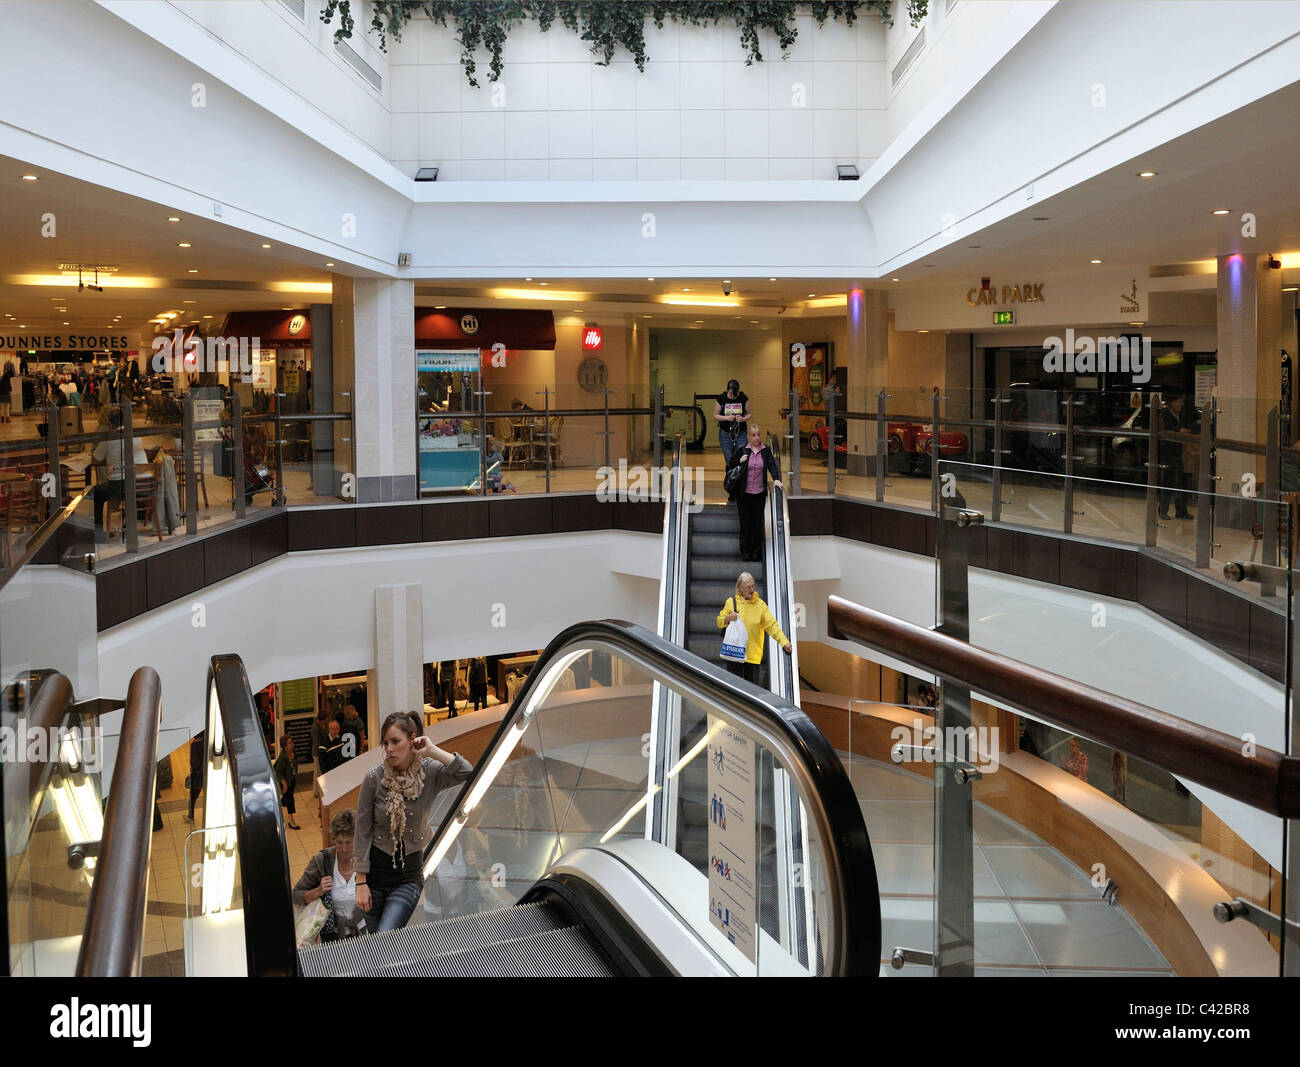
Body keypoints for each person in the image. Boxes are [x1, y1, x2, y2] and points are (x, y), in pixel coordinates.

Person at [354, 711, 473, 933]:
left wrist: (433, 750)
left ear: (412, 740)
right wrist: (360, 883)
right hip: (374, 878)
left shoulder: (430, 772)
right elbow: (362, 831)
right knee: (377, 941)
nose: (389, 749)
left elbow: (467, 772)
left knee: (385, 935)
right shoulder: (374, 778)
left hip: (408, 876)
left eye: (395, 741)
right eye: (386, 743)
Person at [294, 810, 365, 941]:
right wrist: (318, 891)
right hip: (331, 936)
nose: (344, 849)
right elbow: (296, 895)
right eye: (339, 842)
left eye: (349, 842)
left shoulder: (367, 859)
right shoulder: (322, 860)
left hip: (363, 931)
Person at [717, 571, 791, 685]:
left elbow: (772, 625)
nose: (752, 590)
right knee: (734, 688)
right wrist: (727, 618)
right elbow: (719, 622)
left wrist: (784, 642)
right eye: (748, 587)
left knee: (751, 691)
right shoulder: (731, 602)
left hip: (752, 656)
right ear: (740, 588)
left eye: (753, 586)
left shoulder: (760, 605)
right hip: (734, 652)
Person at [90, 406, 148, 542]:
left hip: (120, 485)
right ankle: (129, 524)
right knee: (126, 490)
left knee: (95, 494)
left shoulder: (108, 439)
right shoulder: (136, 435)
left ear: (110, 423)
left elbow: (95, 460)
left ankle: (99, 534)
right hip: (143, 485)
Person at [729, 424, 782, 561]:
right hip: (744, 494)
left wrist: (776, 479)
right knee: (745, 523)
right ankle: (745, 552)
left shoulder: (766, 451)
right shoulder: (743, 450)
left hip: (759, 494)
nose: (756, 437)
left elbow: (771, 465)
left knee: (757, 523)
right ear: (748, 437)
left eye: (758, 435)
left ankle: (756, 552)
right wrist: (739, 461)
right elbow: (730, 466)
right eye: (753, 435)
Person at [1157, 391, 1192, 520]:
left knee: (1181, 482)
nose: (1181, 404)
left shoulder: (1178, 414)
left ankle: (1181, 510)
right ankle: (1163, 510)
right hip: (1169, 454)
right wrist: (1180, 431)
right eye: (1179, 401)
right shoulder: (1165, 414)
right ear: (1172, 402)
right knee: (1168, 481)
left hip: (1178, 453)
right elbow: (1166, 433)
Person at [713, 379, 751, 473]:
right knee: (729, 458)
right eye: (730, 393)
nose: (732, 396)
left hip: (740, 433)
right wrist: (726, 418)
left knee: (742, 456)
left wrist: (743, 419)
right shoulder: (721, 399)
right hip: (725, 434)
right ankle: (731, 480)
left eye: (734, 394)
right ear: (727, 390)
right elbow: (715, 415)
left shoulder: (743, 398)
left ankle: (740, 479)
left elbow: (749, 414)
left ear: (738, 391)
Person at [274, 734, 302, 830]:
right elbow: (278, 771)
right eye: (289, 743)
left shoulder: (293, 752)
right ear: (284, 746)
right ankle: (291, 821)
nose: (292, 744)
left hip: (292, 780)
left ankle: (277, 804)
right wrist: (283, 782)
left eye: (292, 742)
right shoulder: (283, 757)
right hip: (287, 782)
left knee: (286, 799)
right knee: (290, 800)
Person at [185, 730, 205, 822]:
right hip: (207, 772)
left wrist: (193, 769)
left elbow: (194, 761)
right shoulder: (208, 742)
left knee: (193, 797)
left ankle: (191, 816)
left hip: (198, 774)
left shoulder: (195, 745)